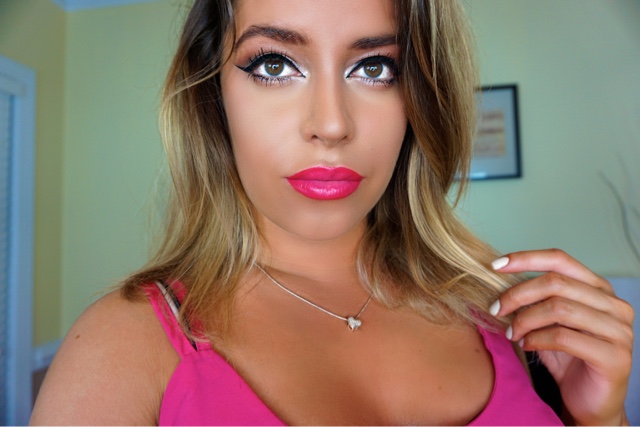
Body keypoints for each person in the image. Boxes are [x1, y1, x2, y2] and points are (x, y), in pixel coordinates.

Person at [31, 0, 634, 425]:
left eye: (374, 67)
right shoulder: (125, 349)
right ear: (213, 92)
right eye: (274, 65)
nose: (331, 124)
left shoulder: (506, 317)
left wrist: (599, 419)